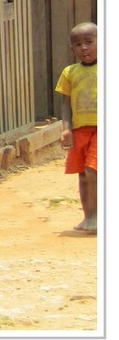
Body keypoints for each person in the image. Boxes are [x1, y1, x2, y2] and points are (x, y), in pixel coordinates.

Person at [56, 21, 98, 233]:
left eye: (89, 42)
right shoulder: (69, 72)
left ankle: (100, 215)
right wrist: (66, 128)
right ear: (72, 49)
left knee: (93, 170)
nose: (84, 48)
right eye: (78, 44)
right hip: (80, 131)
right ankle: (89, 216)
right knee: (82, 174)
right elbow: (65, 103)